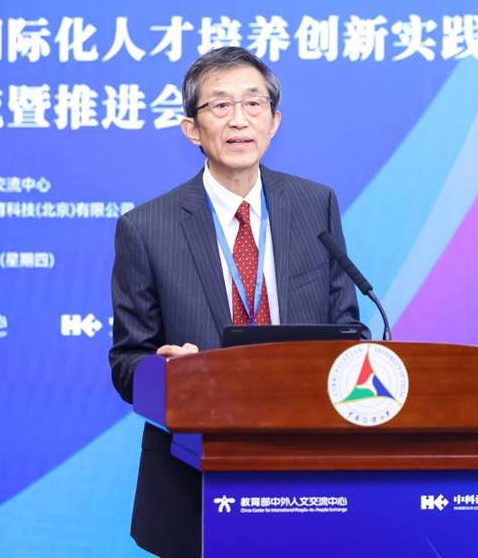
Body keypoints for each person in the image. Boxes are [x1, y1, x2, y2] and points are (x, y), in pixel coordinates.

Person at [108, 46, 361, 558]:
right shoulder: (146, 228)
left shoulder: (316, 205)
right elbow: (127, 361)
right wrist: (165, 374)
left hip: (306, 466)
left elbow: (348, 331)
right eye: (220, 105)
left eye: (253, 103)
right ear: (192, 129)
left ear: (274, 121)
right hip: (193, 475)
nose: (239, 120)